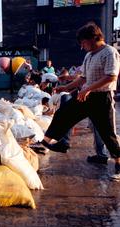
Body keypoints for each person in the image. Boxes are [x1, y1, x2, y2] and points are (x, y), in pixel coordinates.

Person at [40, 22, 120, 179]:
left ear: (92, 38)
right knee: (64, 112)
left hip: (102, 98)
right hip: (86, 95)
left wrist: (88, 89)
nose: (82, 47)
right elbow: (83, 78)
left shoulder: (110, 52)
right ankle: (44, 142)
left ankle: (118, 163)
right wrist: (66, 87)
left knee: (107, 133)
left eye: (83, 42)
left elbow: (111, 76)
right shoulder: (89, 55)